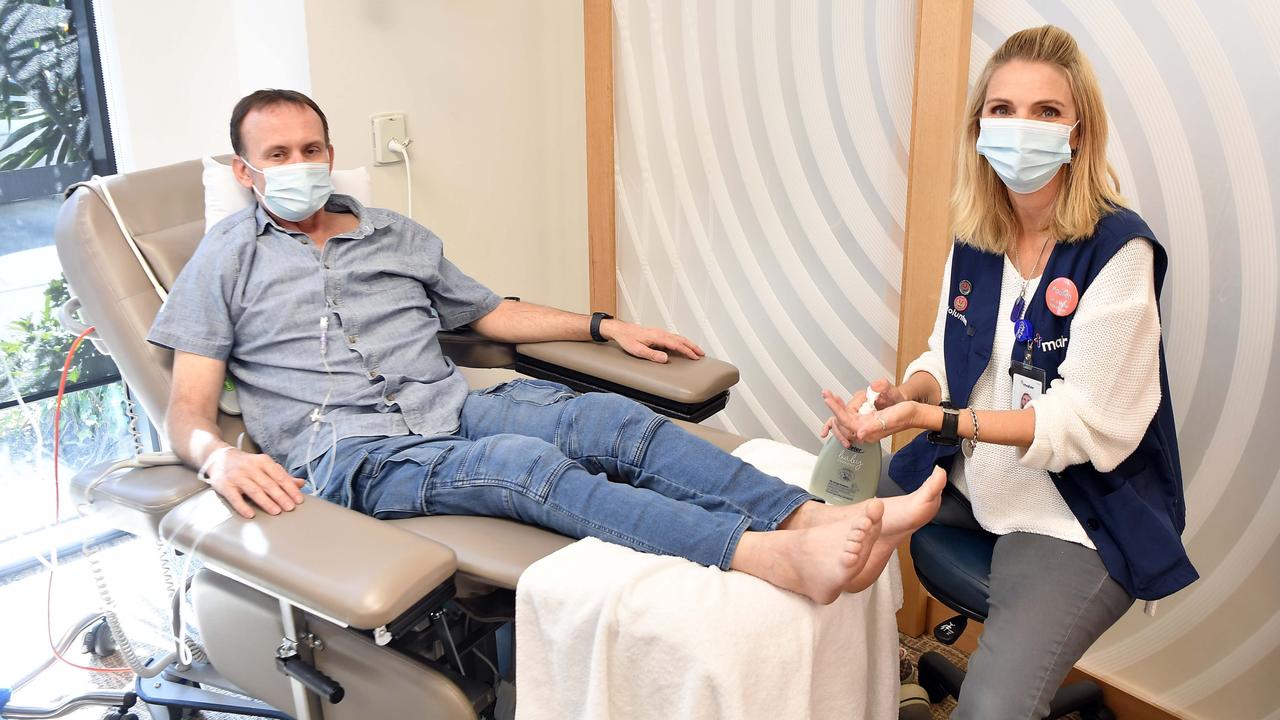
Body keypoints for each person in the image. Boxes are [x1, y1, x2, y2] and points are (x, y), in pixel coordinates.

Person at [148, 89, 944, 606]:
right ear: (246, 173)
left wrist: (606, 328)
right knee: (524, 471)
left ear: (330, 153)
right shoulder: (227, 259)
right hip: (350, 456)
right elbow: (186, 413)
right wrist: (220, 459)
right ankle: (766, 557)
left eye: (311, 149)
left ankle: (811, 515)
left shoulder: (392, 235)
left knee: (607, 420)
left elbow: (491, 313)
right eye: (278, 156)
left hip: (450, 408)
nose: (299, 167)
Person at [820, 26, 1196, 718]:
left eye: (1046, 112)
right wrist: (908, 392)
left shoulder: (1118, 252)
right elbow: (947, 355)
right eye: (1002, 109)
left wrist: (936, 419)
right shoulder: (979, 233)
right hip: (975, 478)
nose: (1021, 127)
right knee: (815, 513)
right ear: (979, 127)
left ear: (1078, 133)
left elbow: (1082, 427)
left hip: (1071, 512)